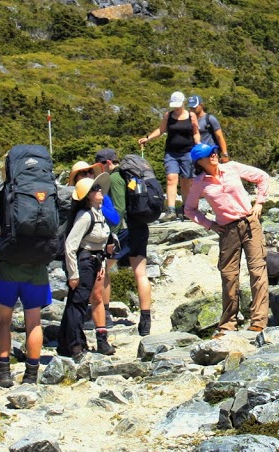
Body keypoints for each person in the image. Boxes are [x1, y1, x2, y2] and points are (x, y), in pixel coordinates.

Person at [184, 143, 270, 336]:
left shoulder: (231, 168)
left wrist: (259, 203)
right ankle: (228, 323)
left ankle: (258, 321)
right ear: (200, 161)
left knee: (257, 270)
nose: (213, 155)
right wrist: (210, 225)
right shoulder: (199, 182)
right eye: (208, 154)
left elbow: (262, 177)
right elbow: (189, 210)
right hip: (227, 230)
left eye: (213, 151)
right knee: (229, 276)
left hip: (250, 223)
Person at [0, 186, 53, 387]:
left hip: (7, 267)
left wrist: (6, 249)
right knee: (34, 322)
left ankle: (3, 372)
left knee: (4, 320)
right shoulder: (45, 190)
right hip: (37, 267)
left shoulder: (2, 192)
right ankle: (31, 374)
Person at [57, 173, 117, 360]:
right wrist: (73, 274)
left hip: (94, 261)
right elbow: (70, 245)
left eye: (98, 188)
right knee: (78, 304)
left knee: (80, 303)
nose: (99, 191)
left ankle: (71, 343)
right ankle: (75, 346)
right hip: (84, 263)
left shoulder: (97, 212)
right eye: (94, 189)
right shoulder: (85, 216)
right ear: (88, 196)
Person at [94, 148, 153, 337]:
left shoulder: (114, 178)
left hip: (123, 230)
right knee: (141, 273)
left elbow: (118, 208)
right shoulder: (134, 175)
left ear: (106, 163)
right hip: (140, 226)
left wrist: (111, 234)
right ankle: (145, 321)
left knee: (104, 270)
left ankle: (106, 313)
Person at [138, 90, 200, 221]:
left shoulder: (191, 116)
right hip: (171, 152)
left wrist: (198, 144)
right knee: (171, 178)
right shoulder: (168, 115)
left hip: (188, 152)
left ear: (183, 103)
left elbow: (195, 132)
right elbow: (161, 130)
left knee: (186, 180)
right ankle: (170, 209)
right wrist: (148, 138)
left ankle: (186, 209)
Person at [188, 95, 229, 163]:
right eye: (191, 107)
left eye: (194, 107)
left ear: (202, 105)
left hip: (210, 156)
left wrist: (225, 154)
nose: (192, 109)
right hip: (196, 156)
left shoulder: (210, 119)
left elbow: (219, 137)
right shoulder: (189, 120)